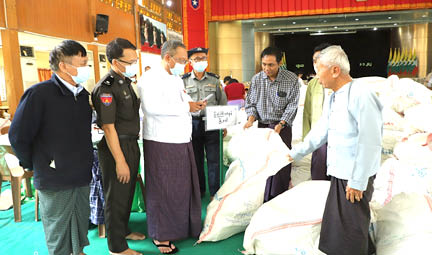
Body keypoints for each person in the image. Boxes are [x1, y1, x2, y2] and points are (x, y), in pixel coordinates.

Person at [288, 45, 383, 255]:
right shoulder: (334, 96)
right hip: (340, 172)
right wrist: (294, 153)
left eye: (319, 69)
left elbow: (370, 142)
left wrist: (358, 181)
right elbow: (321, 131)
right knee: (343, 227)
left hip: (354, 176)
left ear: (334, 70)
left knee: (350, 229)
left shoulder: (361, 94)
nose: (316, 75)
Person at [9, 40, 93, 255]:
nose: (86, 68)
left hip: (81, 173)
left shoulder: (82, 94)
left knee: (79, 225)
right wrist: (35, 163)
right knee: (59, 231)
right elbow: (18, 136)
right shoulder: (39, 94)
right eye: (81, 63)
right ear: (63, 66)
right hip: (55, 176)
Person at [139, 40, 203, 254]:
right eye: (182, 60)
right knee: (163, 189)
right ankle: (161, 235)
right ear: (168, 57)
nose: (185, 64)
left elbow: (183, 101)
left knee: (181, 188)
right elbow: (152, 107)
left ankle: (181, 227)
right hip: (161, 141)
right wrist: (186, 106)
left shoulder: (175, 79)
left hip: (181, 139)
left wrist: (193, 105)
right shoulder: (150, 78)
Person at [92, 38, 144, 255]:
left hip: (131, 143)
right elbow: (109, 127)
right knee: (116, 196)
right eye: (130, 61)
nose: (134, 64)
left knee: (127, 192)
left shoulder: (125, 82)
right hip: (115, 148)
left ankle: (123, 231)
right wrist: (120, 161)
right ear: (115, 61)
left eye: (135, 60)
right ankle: (117, 247)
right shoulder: (106, 88)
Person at [244, 46, 300, 202]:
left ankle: (278, 198)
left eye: (271, 65)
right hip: (263, 127)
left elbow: (292, 105)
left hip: (282, 127)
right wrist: (250, 119)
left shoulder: (291, 79)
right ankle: (263, 197)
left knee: (281, 163)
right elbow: (250, 103)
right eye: (263, 64)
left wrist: (281, 124)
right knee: (264, 162)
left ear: (280, 63)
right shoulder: (256, 79)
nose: (266, 68)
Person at [182, 47, 227, 199]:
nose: (201, 61)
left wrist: (224, 124)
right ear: (190, 62)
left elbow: (222, 102)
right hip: (192, 124)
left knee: (214, 160)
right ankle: (199, 191)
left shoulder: (215, 80)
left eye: (204, 58)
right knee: (196, 160)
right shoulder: (183, 81)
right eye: (197, 59)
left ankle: (215, 192)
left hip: (212, 123)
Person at [302, 43, 332, 180]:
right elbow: (307, 113)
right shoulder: (313, 84)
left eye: (320, 59)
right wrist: (306, 140)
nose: (316, 63)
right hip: (318, 138)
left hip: (337, 138)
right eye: (314, 60)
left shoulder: (343, 84)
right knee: (318, 174)